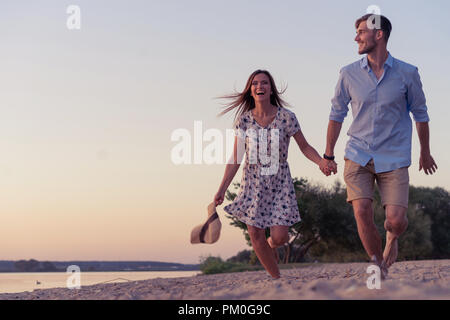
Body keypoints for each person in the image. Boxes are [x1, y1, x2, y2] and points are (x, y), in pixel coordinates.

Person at [323, 14, 437, 277]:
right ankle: (377, 265)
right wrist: (328, 154)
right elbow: (336, 115)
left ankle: (391, 237)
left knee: (395, 221)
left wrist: (426, 152)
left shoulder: (408, 73)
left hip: (394, 156)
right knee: (362, 210)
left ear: (379, 35)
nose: (356, 37)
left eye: (361, 32)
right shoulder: (348, 73)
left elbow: (420, 114)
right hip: (357, 153)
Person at [213, 69, 332, 279]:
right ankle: (277, 280)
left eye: (265, 83)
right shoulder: (244, 121)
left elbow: (304, 147)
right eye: (255, 83)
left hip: (279, 182)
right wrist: (221, 189)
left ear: (271, 89)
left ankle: (271, 245)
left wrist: (321, 162)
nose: (260, 86)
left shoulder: (287, 117)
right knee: (255, 234)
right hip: (252, 183)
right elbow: (235, 158)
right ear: (250, 91)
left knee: (280, 237)